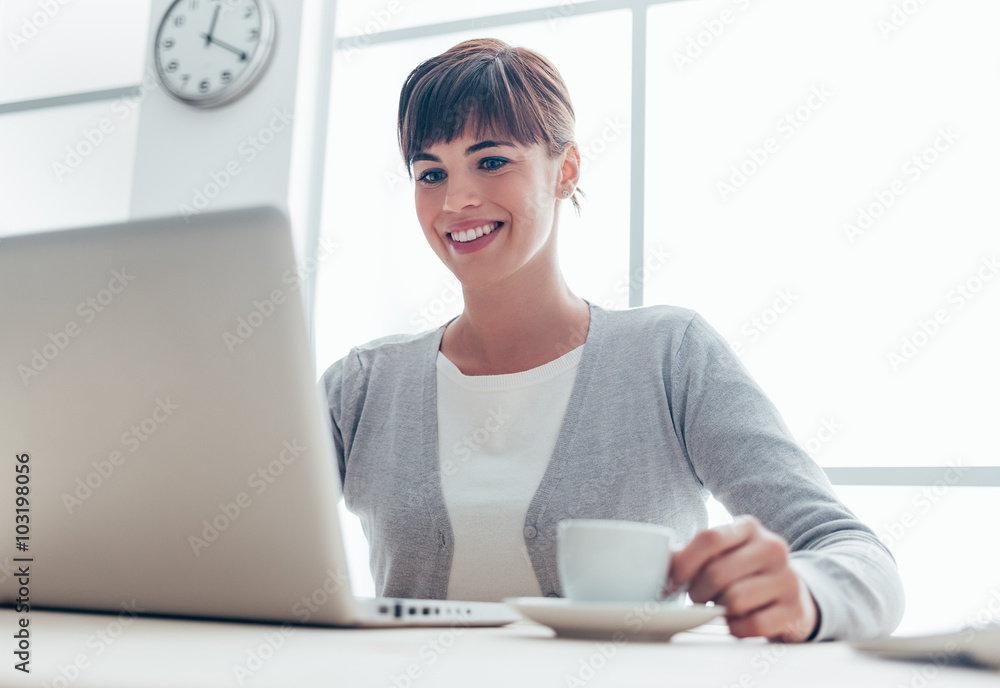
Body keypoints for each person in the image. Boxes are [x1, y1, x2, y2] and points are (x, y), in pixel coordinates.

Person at [320, 37, 904, 642]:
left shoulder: (669, 356)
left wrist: (808, 595)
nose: (456, 200)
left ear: (565, 171)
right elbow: (235, 549)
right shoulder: (360, 387)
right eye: (430, 173)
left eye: (491, 161)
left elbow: (855, 554)